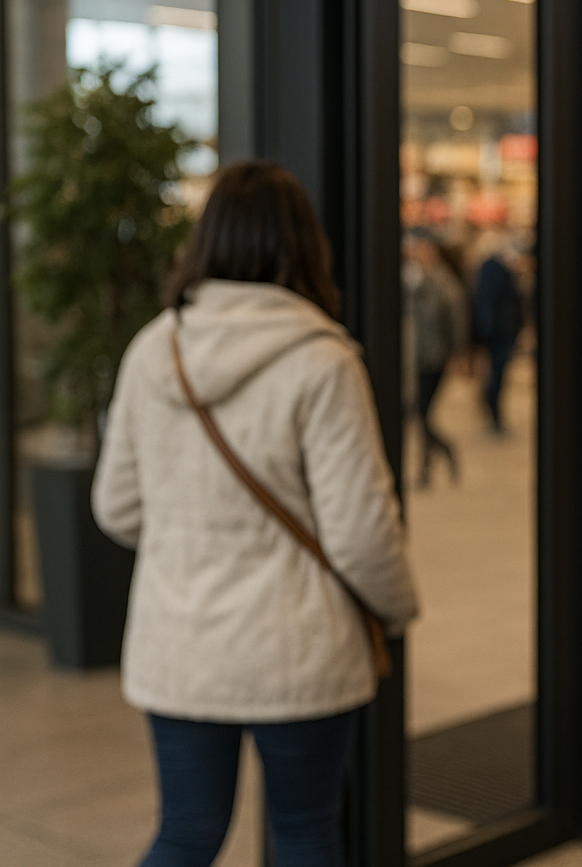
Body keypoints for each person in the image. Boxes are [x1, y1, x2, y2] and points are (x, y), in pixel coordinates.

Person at [92, 159, 419, 867]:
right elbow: (361, 532)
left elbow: (115, 506)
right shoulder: (323, 360)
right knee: (304, 832)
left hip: (179, 644)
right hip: (300, 649)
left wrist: (188, 538)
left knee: (186, 832)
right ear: (304, 246)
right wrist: (397, 607)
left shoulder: (155, 349)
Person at [404, 233, 468, 485]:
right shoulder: (421, 280)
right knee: (421, 414)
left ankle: (444, 453)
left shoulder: (444, 283)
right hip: (420, 356)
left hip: (435, 357)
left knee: (422, 413)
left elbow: (457, 320)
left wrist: (458, 354)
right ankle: (426, 469)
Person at [472, 233, 525, 434]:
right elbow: (490, 303)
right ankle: (492, 412)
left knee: (496, 374)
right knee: (496, 375)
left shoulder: (495, 270)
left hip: (499, 332)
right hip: (499, 333)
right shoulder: (495, 270)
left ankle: (493, 412)